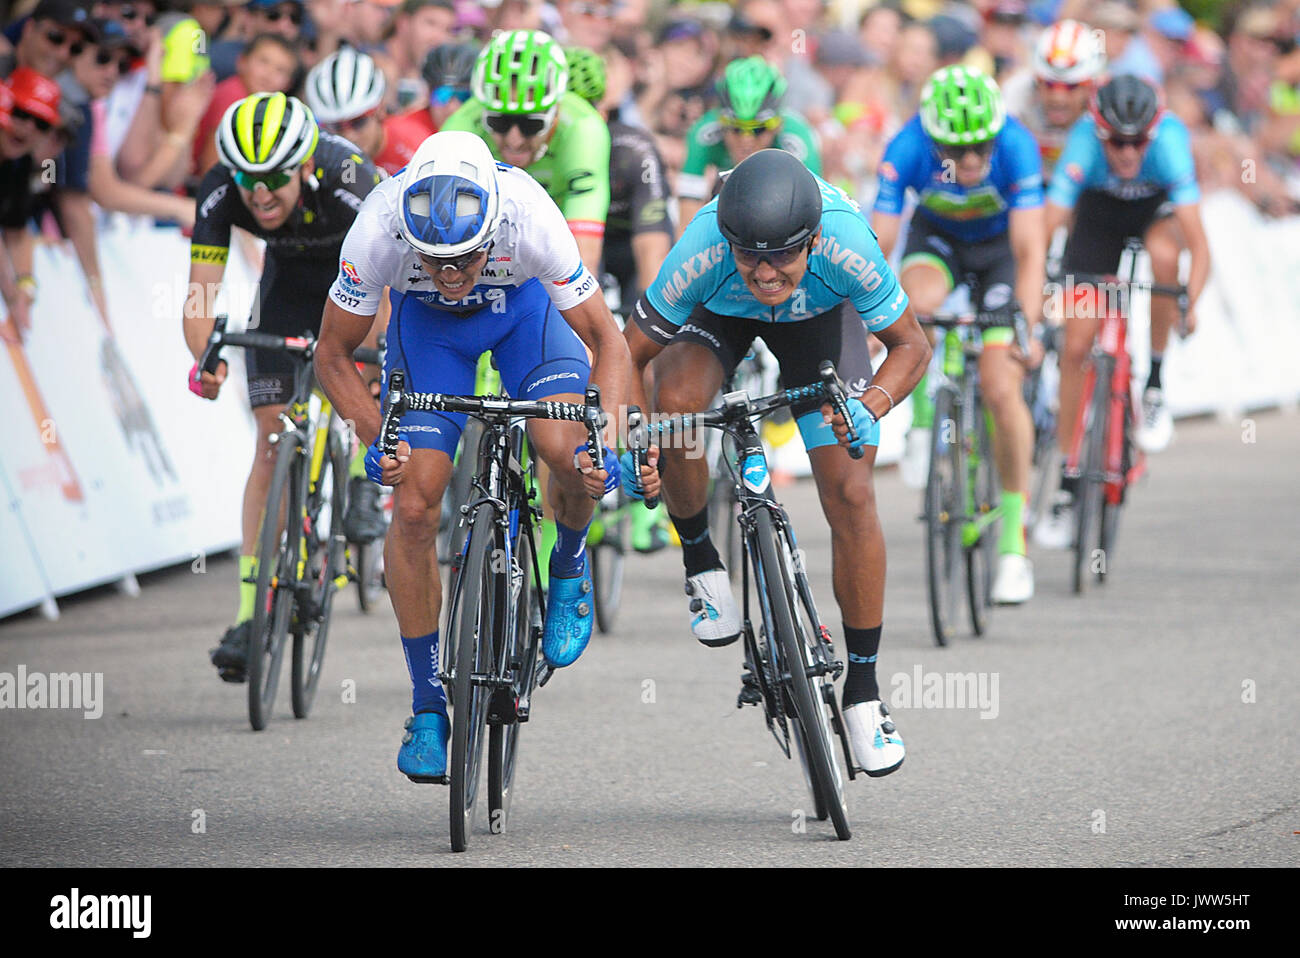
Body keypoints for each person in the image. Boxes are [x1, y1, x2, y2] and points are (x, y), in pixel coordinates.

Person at [311, 129, 656, 780]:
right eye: (434, 261)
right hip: (432, 336)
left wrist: (602, 439)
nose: (449, 275)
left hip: (525, 318)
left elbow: (608, 342)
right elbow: (331, 353)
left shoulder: (530, 215)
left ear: (493, 226)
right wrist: (373, 432)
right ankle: (427, 706)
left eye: (464, 259)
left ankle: (569, 564)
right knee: (413, 504)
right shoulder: (378, 226)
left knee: (563, 446)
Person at [623, 148, 930, 776]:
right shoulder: (703, 246)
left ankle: (865, 692)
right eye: (750, 256)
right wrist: (635, 437)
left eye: (783, 256)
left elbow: (910, 345)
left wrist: (872, 404)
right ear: (729, 240)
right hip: (718, 320)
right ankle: (700, 557)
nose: (765, 273)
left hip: (818, 324)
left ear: (813, 240)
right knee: (677, 403)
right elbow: (627, 356)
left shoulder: (848, 241)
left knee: (851, 492)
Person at [182, 91, 384, 682]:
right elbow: (200, 291)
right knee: (271, 442)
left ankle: (358, 480)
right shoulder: (220, 190)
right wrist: (205, 358)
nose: (260, 192)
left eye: (274, 177)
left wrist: (371, 369)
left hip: (360, 286)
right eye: (248, 178)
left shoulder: (351, 177)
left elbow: (391, 287)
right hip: (287, 291)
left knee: (364, 384)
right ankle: (250, 612)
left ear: (303, 166)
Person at [872, 65, 1046, 604]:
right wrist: (869, 318)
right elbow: (880, 240)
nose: (971, 162)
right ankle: (924, 421)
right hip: (939, 243)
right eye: (957, 151)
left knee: (999, 387)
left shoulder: (1017, 146)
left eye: (980, 149)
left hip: (998, 258)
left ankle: (1014, 544)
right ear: (932, 138)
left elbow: (1029, 250)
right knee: (914, 302)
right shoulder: (907, 146)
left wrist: (1028, 325)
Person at [1035, 74, 1210, 548]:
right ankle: (1069, 481)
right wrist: (1042, 286)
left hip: (1154, 214)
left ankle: (1153, 380)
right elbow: (1048, 226)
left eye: (1138, 142)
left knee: (1168, 259)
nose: (1128, 152)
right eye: (1117, 141)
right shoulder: (1081, 144)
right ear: (1098, 130)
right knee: (1075, 347)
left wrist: (1187, 301)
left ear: (1153, 134)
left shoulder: (1171, 145)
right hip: (1097, 217)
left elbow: (1200, 247)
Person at [565, 44, 673, 553]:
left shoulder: (632, 147)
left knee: (638, 349)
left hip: (628, 251)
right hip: (572, 251)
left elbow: (653, 248)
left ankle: (639, 479)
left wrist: (647, 321)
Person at [441, 29, 610, 276]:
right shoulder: (460, 128)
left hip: (557, 241)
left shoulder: (584, 129)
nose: (514, 140)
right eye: (499, 123)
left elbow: (584, 255)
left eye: (532, 124)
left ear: (556, 112)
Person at [676, 56, 821, 235]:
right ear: (720, 121)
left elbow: (815, 221)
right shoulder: (703, 134)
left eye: (758, 130)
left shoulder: (796, 138)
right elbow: (686, 224)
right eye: (735, 128)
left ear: (778, 125)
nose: (746, 140)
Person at [1003, 18, 1107, 180]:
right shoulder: (1015, 93)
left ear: (1091, 85)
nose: (1058, 98)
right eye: (1049, 84)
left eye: (1072, 86)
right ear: (1036, 79)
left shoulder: (1107, 104)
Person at [374, 41, 475, 174]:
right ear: (427, 93)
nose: (452, 107)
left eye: (463, 96)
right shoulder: (397, 129)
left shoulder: (492, 130)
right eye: (443, 95)